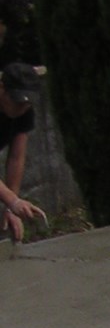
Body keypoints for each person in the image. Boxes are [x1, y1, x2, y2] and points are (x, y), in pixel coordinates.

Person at [0, 61, 43, 242]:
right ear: (1, 88)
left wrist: (11, 209)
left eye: (26, 103)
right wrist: (13, 201)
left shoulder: (24, 111)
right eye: (16, 101)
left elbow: (16, 158)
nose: (21, 108)